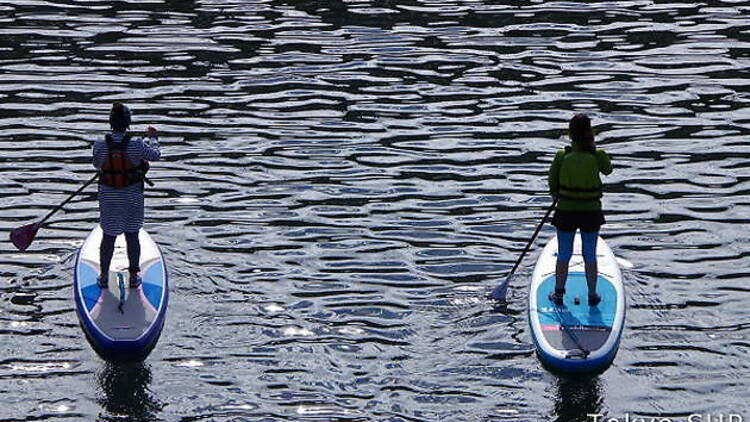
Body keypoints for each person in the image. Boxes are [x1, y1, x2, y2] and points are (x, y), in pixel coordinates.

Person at [93, 102, 161, 288]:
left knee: (108, 236)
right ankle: (133, 277)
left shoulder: (100, 144)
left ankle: (104, 276)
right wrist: (152, 138)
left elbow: (96, 165)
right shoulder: (137, 144)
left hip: (109, 198)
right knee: (132, 235)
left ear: (110, 123)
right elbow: (155, 155)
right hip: (132, 198)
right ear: (128, 124)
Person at [548, 113, 612, 306]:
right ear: (590, 132)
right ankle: (592, 295)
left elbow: (552, 182)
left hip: (566, 212)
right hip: (591, 213)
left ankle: (559, 293)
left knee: (564, 254)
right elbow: (608, 169)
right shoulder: (597, 155)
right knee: (590, 255)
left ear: (570, 134)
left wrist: (557, 196)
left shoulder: (562, 156)